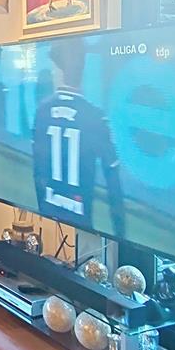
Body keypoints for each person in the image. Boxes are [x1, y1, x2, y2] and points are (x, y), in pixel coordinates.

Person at [32, 39, 124, 238]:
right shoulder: (95, 117)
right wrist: (121, 235)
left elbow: (38, 172)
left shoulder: (42, 111)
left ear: (59, 70)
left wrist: (42, 210)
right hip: (84, 222)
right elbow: (114, 186)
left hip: (48, 210)